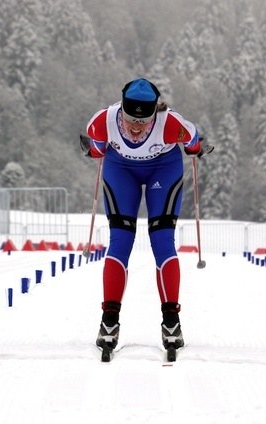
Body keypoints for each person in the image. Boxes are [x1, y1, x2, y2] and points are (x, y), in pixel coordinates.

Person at [80, 77, 213, 354]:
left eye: (144, 122)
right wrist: (93, 150)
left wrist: (196, 149)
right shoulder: (102, 121)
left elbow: (192, 139)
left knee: (162, 241)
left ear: (155, 113)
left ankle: (171, 322)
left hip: (163, 170)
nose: (137, 129)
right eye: (131, 122)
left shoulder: (171, 124)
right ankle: (109, 321)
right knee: (120, 242)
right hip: (121, 171)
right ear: (122, 112)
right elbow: (96, 148)